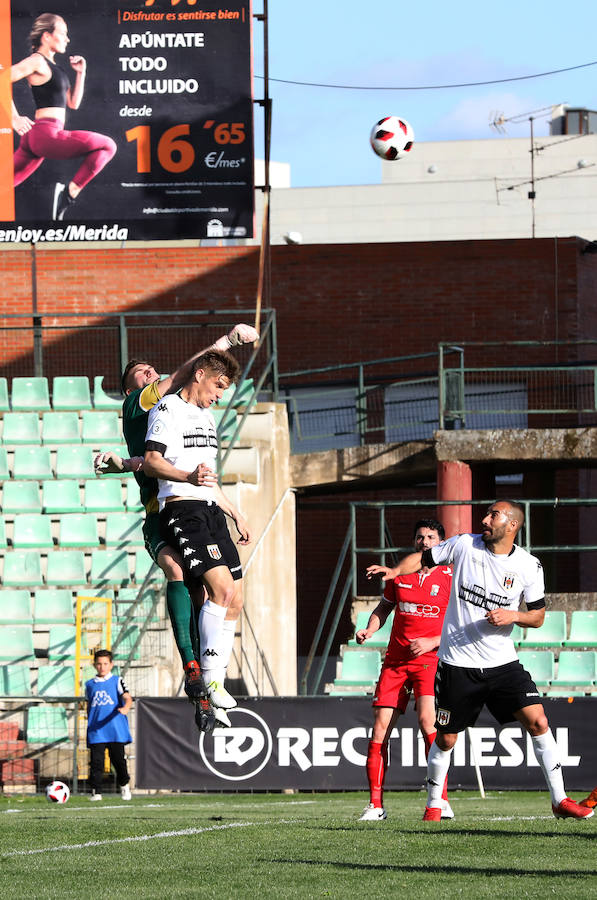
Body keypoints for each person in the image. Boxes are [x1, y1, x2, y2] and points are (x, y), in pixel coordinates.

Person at [367, 500, 594, 822]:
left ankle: (559, 800)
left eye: (493, 515)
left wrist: (513, 615)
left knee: (539, 722)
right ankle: (434, 805)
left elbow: (539, 616)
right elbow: (422, 557)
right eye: (486, 513)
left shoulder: (529, 565)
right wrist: (395, 571)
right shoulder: (463, 545)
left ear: (512, 525)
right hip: (457, 663)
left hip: (502, 664)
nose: (485, 519)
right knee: (446, 737)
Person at [94, 324, 257, 732]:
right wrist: (225, 343)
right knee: (180, 572)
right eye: (141, 373)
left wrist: (120, 463)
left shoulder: (192, 414)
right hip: (164, 508)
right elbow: (183, 377)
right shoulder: (143, 403)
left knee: (217, 592)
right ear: (131, 388)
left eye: (152, 370)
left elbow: (146, 457)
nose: (151, 375)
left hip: (194, 499)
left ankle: (206, 678)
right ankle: (195, 669)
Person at [143, 349, 250, 728]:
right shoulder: (168, 409)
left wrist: (235, 512)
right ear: (200, 374)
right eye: (218, 385)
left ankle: (215, 685)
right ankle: (209, 679)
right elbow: (152, 460)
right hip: (182, 509)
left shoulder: (206, 417)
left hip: (209, 510)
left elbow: (209, 479)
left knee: (235, 598)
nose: (220, 395)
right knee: (220, 590)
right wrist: (185, 477)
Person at [357, 518, 453, 821]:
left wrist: (432, 641)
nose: (425, 541)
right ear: (414, 542)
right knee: (379, 729)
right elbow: (384, 608)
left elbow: (463, 623)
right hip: (396, 662)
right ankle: (375, 806)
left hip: (431, 659)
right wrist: (370, 629)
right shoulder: (399, 578)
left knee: (428, 722)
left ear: (441, 543)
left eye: (432, 537)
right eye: (420, 537)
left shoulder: (453, 576)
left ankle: (440, 801)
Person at [5, 13, 116, 219]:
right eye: (63, 33)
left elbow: (73, 103)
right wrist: (14, 118)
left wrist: (80, 73)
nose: (67, 39)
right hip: (46, 134)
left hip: (35, 138)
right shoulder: (36, 61)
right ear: (47, 36)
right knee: (108, 145)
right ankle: (69, 193)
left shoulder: (55, 68)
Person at [85, 648, 132, 802]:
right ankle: (96, 792)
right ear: (94, 665)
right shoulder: (90, 684)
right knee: (96, 762)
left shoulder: (117, 681)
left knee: (118, 760)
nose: (102, 667)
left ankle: (124, 785)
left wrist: (125, 707)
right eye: (99, 664)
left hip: (114, 729)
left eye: (105, 663)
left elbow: (127, 697)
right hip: (97, 730)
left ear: (111, 664)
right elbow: (89, 705)